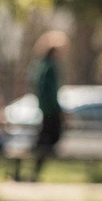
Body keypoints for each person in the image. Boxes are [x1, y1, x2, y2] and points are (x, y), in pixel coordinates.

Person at [26, 30, 67, 182]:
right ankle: (34, 169)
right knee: (49, 138)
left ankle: (35, 170)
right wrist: (56, 108)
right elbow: (49, 91)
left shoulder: (41, 65)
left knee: (45, 139)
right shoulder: (48, 67)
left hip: (46, 108)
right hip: (50, 109)